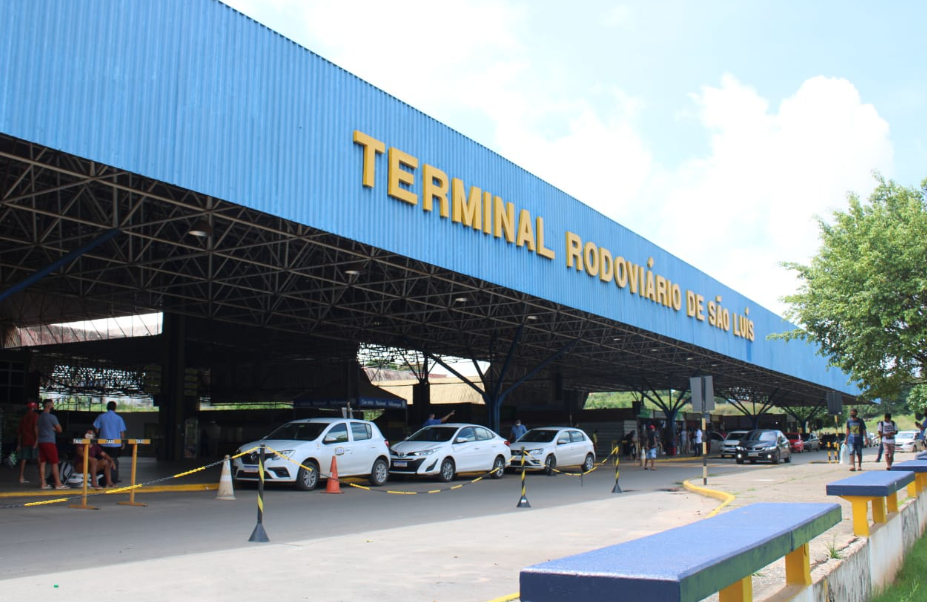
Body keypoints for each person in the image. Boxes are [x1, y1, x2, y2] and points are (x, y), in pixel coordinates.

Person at [37, 400, 68, 490]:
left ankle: (43, 483)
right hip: (49, 441)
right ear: (49, 406)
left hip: (41, 441)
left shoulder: (39, 417)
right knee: (54, 462)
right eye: (52, 404)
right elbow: (60, 429)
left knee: (42, 462)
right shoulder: (52, 417)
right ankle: (58, 483)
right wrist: (54, 428)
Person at [93, 401, 127, 482]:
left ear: (107, 407)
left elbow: (96, 429)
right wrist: (123, 442)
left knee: (103, 460)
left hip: (103, 443)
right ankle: (114, 478)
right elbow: (121, 432)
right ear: (115, 408)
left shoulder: (101, 416)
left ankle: (102, 478)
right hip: (115, 444)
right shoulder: (119, 418)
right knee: (114, 460)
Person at [16, 400, 40, 484]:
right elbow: (35, 428)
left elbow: (19, 433)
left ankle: (21, 477)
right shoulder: (36, 416)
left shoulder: (23, 418)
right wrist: (37, 440)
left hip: (24, 441)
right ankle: (42, 477)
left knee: (24, 458)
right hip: (33, 440)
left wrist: (19, 444)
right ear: (34, 408)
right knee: (38, 458)